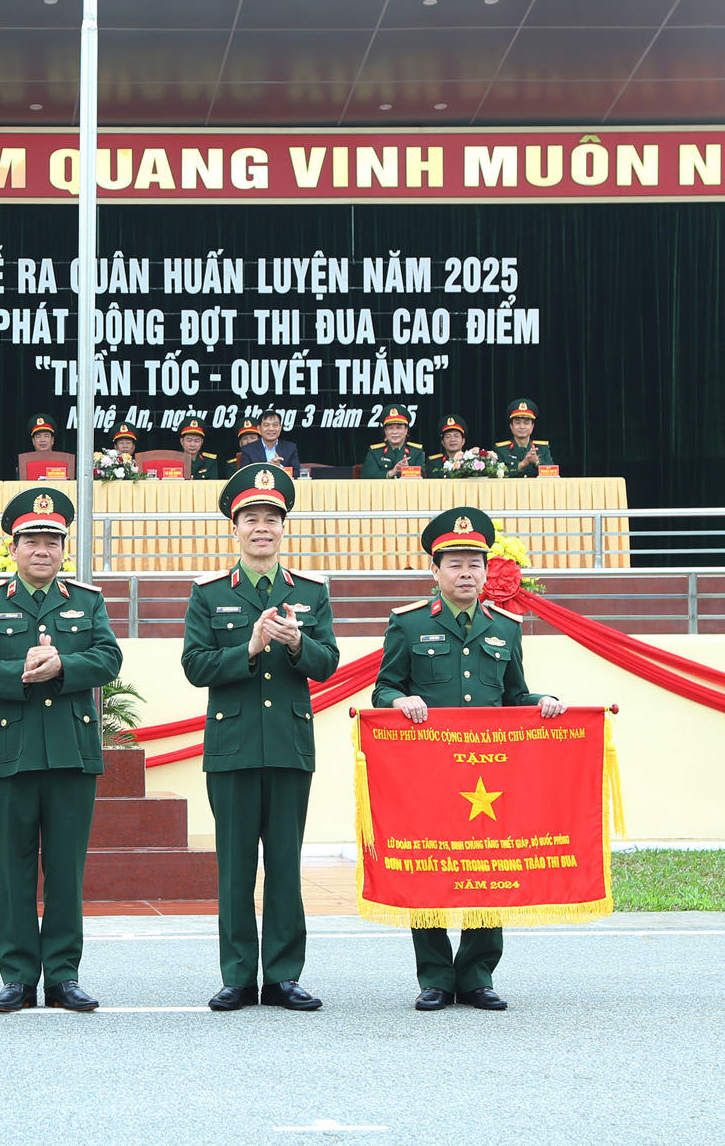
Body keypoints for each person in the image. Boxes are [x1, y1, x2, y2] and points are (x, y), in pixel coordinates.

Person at [371, 506, 566, 1013]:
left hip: (488, 773)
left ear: (487, 571)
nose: (465, 573)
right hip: (427, 773)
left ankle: (478, 975)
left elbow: (514, 694)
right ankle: (435, 976)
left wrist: (542, 703)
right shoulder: (408, 625)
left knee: (486, 868)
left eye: (475, 564)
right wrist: (399, 700)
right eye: (454, 563)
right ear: (434, 571)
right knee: (427, 865)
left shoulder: (506, 627)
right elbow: (383, 688)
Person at [0, 487, 122, 1013]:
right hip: (13, 752)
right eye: (31, 540)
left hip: (73, 753)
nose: (42, 551)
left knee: (67, 868)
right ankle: (18, 977)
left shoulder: (86, 601)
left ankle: (65, 976)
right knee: (14, 869)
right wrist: (22, 673)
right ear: (14, 546)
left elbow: (109, 657)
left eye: (52, 541)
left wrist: (65, 667)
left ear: (63, 548)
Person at [182, 463, 338, 1013]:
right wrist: (247, 649)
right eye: (251, 518)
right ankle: (237, 976)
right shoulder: (208, 594)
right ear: (235, 527)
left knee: (286, 867)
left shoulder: (312, 593)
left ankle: (285, 976)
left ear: (284, 526)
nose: (262, 527)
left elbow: (329, 665)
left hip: (290, 747)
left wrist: (299, 645)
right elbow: (195, 666)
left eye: (272, 518)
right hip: (233, 748)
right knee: (236, 867)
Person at [493, 399, 555, 476]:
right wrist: (521, 465)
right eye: (518, 423)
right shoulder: (501, 449)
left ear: (532, 426)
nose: (522, 427)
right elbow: (496, 473)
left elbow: (553, 473)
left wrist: (537, 461)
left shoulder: (543, 448)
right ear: (511, 426)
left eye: (526, 423)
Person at [360, 408, 425, 478]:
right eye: (391, 428)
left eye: (399, 428)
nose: (394, 432)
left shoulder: (416, 451)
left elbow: (423, 478)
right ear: (385, 431)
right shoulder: (375, 452)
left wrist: (407, 470)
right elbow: (368, 476)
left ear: (406, 430)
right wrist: (391, 473)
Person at [237, 409, 298, 473]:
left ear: (280, 428)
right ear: (259, 428)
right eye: (266, 425)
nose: (271, 429)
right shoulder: (248, 449)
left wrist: (280, 467)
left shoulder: (290, 448)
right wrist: (267, 468)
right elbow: (245, 474)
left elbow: (296, 473)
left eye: (275, 425)